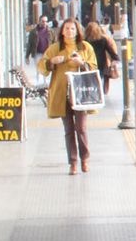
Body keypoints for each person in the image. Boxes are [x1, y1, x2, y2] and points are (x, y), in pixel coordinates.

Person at [38, 18, 99, 174]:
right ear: (62, 31)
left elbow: (93, 67)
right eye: (66, 29)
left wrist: (82, 63)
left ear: (78, 30)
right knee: (68, 129)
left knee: (81, 128)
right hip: (62, 93)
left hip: (81, 94)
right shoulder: (55, 48)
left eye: (72, 29)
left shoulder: (85, 47)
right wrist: (52, 62)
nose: (69, 31)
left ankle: (84, 159)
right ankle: (72, 162)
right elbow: (42, 66)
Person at [85, 21, 119, 93]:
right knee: (99, 80)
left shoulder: (85, 41)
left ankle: (92, 94)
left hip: (89, 64)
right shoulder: (102, 40)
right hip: (100, 64)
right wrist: (115, 58)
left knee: (89, 81)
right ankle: (98, 95)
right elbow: (110, 50)